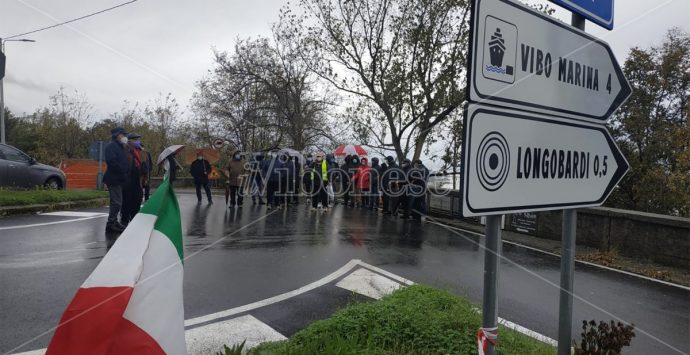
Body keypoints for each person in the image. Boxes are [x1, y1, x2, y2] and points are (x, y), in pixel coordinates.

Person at [103, 127, 130, 233]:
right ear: (117, 135)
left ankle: (113, 222)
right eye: (122, 134)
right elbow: (111, 161)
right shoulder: (111, 146)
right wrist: (122, 171)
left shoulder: (120, 146)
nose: (124, 137)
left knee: (117, 201)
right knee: (117, 202)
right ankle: (111, 223)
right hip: (113, 178)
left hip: (118, 178)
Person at [121, 133, 144, 225]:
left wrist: (145, 177)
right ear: (129, 141)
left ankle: (134, 220)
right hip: (127, 181)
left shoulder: (142, 152)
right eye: (136, 139)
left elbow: (146, 166)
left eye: (138, 139)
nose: (138, 141)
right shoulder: (124, 151)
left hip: (138, 181)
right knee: (126, 201)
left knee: (137, 201)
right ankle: (124, 220)